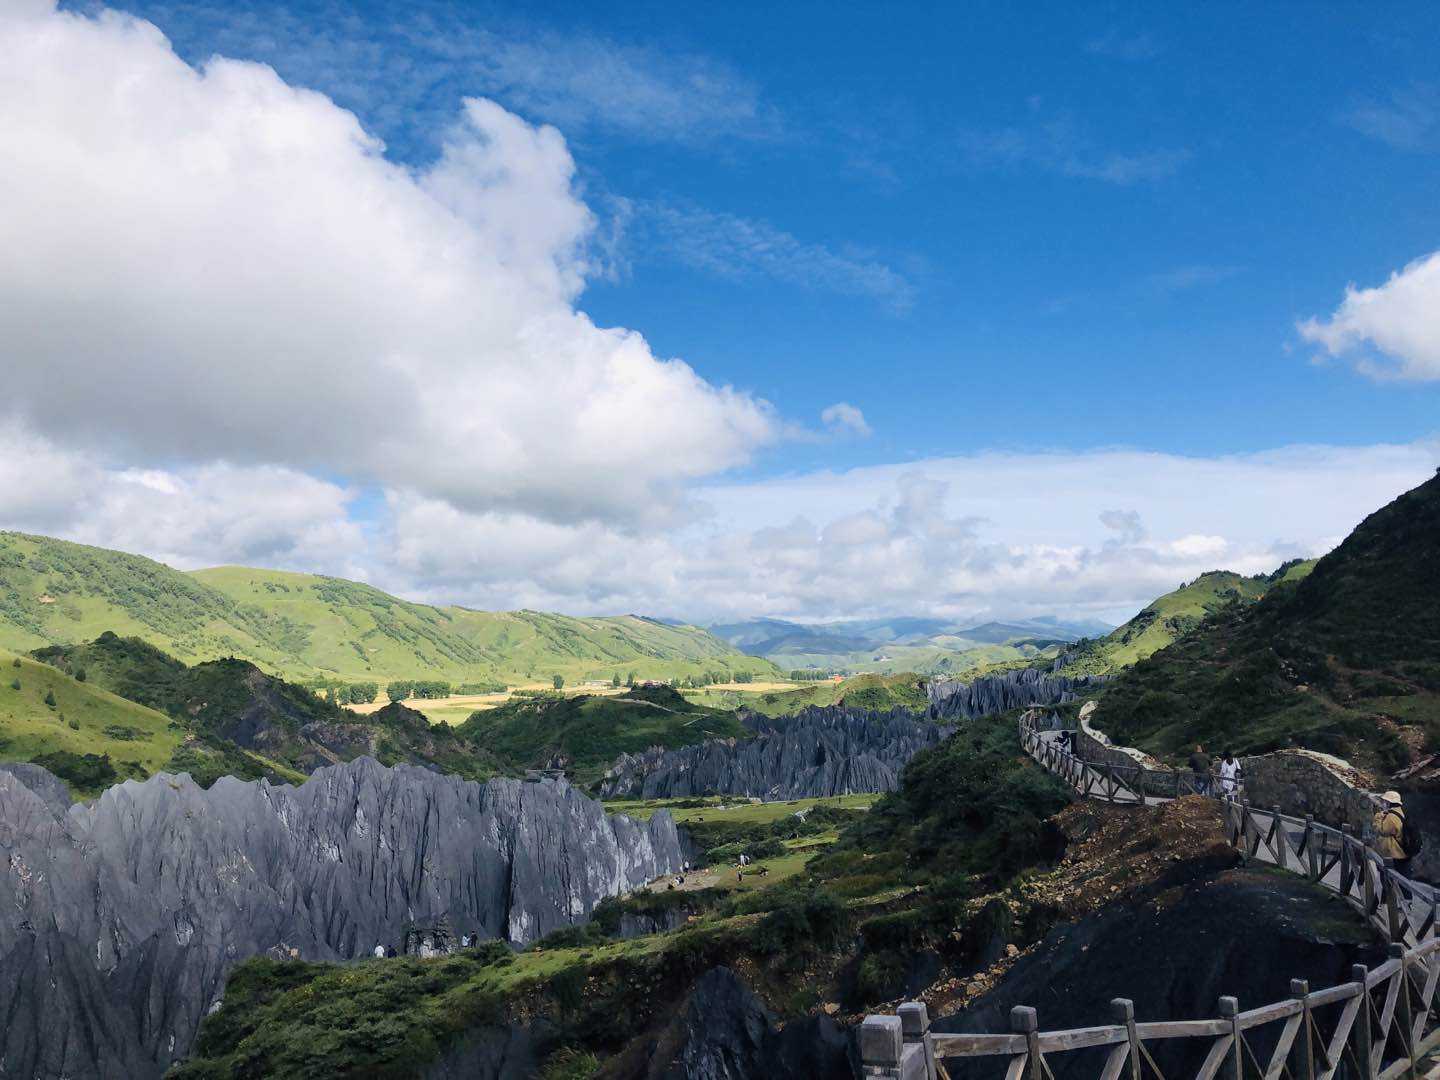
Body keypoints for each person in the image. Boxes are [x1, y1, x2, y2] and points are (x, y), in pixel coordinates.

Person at [1375, 791, 1414, 877]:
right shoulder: (1400, 812)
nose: (1382, 803)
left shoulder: (1391, 817)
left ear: (1389, 802)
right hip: (1402, 854)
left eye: (1384, 801)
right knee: (1401, 882)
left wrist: (1378, 816)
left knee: (1390, 882)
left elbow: (1382, 831)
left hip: (1395, 854)